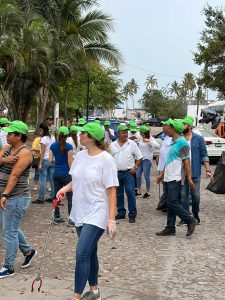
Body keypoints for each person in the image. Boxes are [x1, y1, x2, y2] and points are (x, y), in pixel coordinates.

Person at [56, 122, 118, 300]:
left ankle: (76, 296)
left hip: (98, 211)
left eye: (83, 133)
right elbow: (76, 181)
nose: (79, 134)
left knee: (82, 252)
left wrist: (111, 219)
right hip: (79, 210)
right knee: (90, 251)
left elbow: (111, 190)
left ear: (91, 137)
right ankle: (95, 291)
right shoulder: (81, 155)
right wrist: (63, 190)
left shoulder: (106, 159)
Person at [0, 120, 37, 278]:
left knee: (9, 231)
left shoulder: (25, 153)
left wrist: (5, 195)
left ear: (19, 136)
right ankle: (28, 251)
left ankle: (9, 267)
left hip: (16, 197)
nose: (7, 135)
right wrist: (3, 160)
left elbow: (14, 175)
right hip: (6, 195)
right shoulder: (7, 148)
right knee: (11, 228)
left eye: (10, 133)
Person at [156, 119, 197, 237]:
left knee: (171, 201)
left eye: (167, 126)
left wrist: (189, 178)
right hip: (168, 177)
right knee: (170, 203)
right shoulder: (173, 142)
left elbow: (187, 162)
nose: (165, 128)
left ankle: (190, 220)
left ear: (173, 129)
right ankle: (170, 227)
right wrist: (162, 174)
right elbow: (168, 161)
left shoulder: (182, 143)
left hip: (176, 177)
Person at [178, 115, 211, 225]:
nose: (182, 126)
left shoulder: (198, 138)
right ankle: (186, 217)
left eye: (184, 124)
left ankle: (195, 215)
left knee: (195, 196)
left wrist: (208, 170)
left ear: (190, 126)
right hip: (182, 173)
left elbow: (204, 154)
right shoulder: (179, 138)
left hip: (195, 172)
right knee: (183, 196)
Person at [110, 124, 143, 223]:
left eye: (126, 132)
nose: (125, 134)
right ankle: (121, 213)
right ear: (118, 133)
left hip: (128, 173)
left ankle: (132, 214)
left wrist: (135, 167)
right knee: (118, 194)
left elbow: (139, 157)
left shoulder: (132, 144)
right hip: (116, 174)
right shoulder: (112, 145)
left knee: (130, 193)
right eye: (123, 132)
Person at [49, 126, 73, 225]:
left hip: (56, 173)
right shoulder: (69, 147)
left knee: (56, 195)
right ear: (67, 136)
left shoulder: (53, 146)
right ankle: (71, 219)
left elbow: (50, 160)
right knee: (71, 196)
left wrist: (57, 161)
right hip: (67, 173)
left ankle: (57, 217)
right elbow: (70, 161)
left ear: (58, 135)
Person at [33, 123, 55, 204]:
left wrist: (40, 163)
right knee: (52, 179)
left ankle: (41, 198)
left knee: (43, 179)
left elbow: (42, 152)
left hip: (45, 160)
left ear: (42, 130)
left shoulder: (43, 139)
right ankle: (53, 197)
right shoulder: (52, 137)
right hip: (52, 160)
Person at [136, 125, 159, 198]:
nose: (139, 133)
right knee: (137, 175)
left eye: (141, 132)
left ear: (143, 133)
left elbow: (157, 146)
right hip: (140, 159)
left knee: (146, 176)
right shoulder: (140, 138)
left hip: (147, 160)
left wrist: (149, 141)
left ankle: (147, 192)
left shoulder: (151, 138)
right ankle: (138, 191)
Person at [156, 120, 173, 211]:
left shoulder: (171, 138)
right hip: (163, 166)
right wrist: (159, 156)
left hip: (168, 166)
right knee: (165, 186)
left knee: (168, 187)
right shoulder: (166, 136)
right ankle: (164, 203)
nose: (162, 127)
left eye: (164, 125)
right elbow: (164, 149)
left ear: (169, 127)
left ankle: (167, 204)